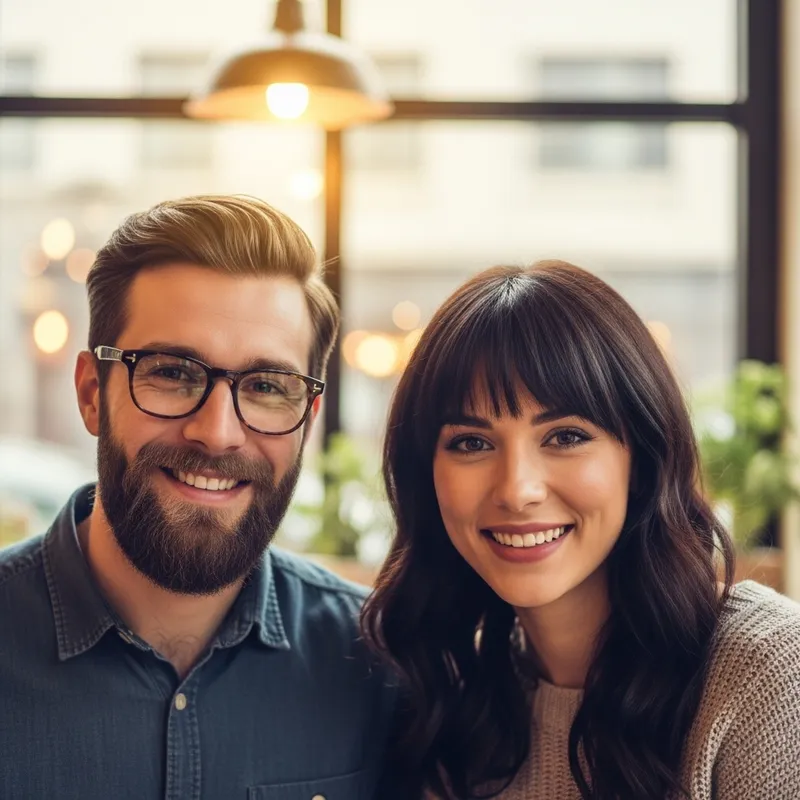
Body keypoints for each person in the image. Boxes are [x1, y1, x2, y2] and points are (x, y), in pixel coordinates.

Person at [0, 195, 395, 799]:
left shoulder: (382, 667)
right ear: (89, 394)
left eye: (267, 386)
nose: (217, 433)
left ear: (308, 419)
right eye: (172, 373)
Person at [362, 260, 800, 800]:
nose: (517, 489)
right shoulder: (453, 700)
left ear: (640, 458)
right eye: (472, 443)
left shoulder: (765, 669)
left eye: (565, 436)